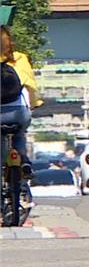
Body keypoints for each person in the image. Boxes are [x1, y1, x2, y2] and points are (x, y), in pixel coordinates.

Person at [1, 26, 42, 165]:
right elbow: (31, 86)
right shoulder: (20, 58)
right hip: (18, 113)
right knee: (19, 134)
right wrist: (34, 104)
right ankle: (23, 160)